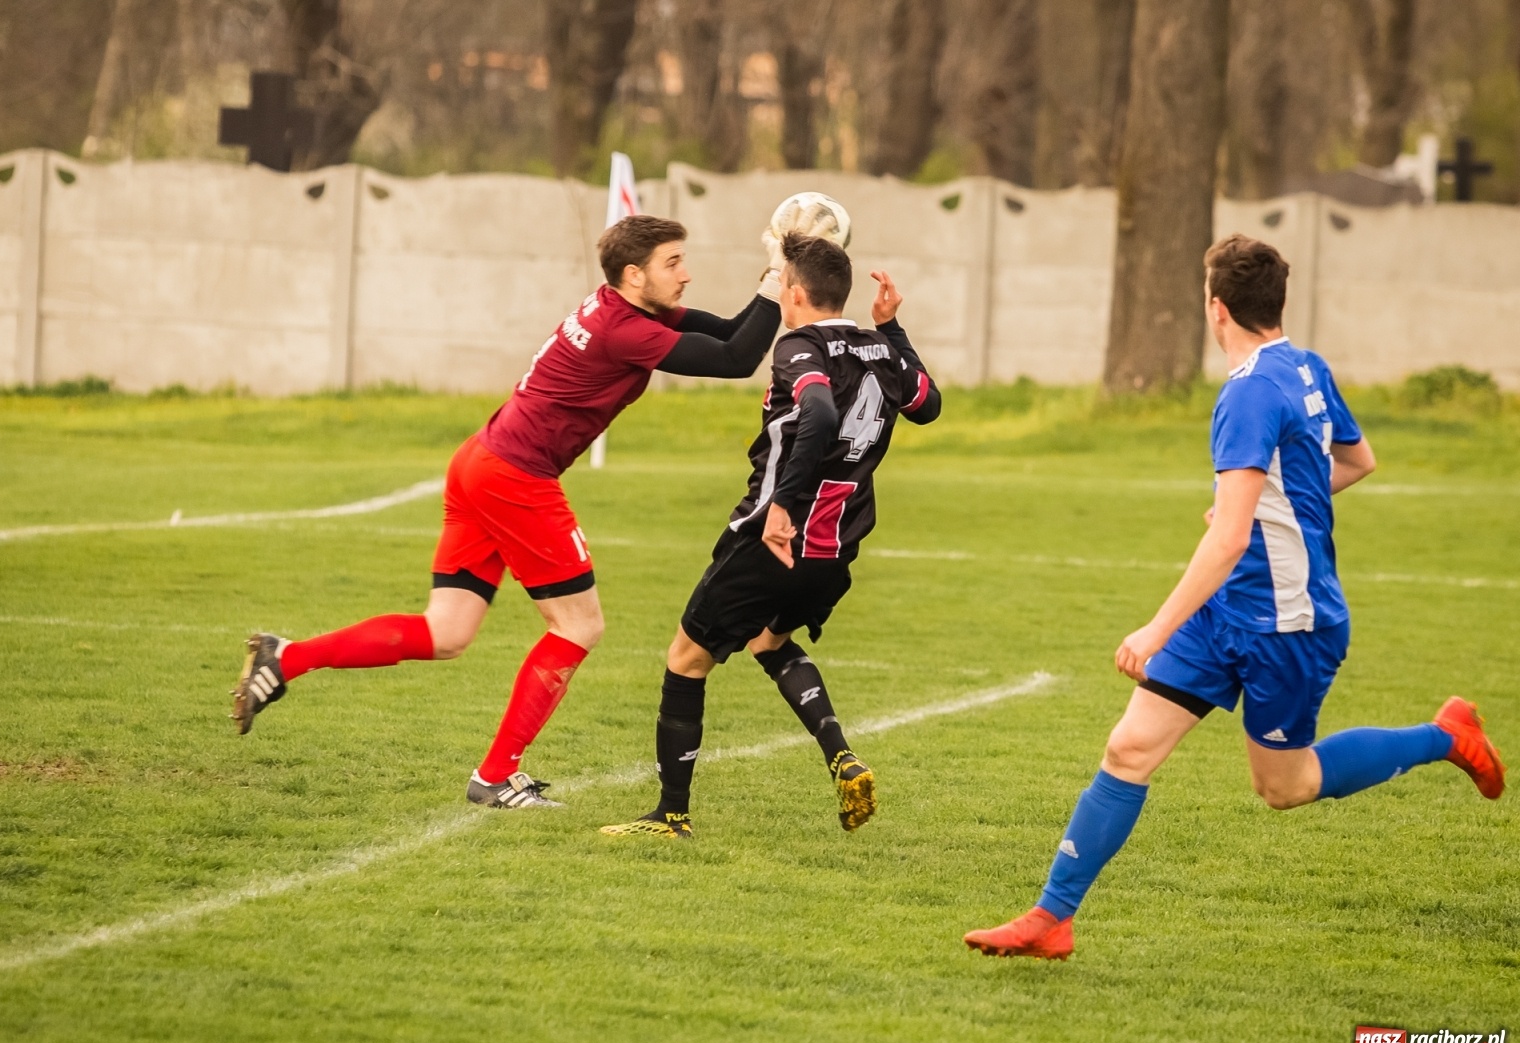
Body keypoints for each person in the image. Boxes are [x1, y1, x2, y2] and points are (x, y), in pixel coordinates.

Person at [964, 234, 1505, 960]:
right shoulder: (1304, 366)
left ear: (1215, 308)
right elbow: (1356, 460)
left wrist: (1157, 626)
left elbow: (1227, 541)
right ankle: (1051, 917)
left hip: (1288, 623)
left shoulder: (1247, 391)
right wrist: (1266, 514)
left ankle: (1445, 736)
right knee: (1129, 748)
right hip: (1229, 614)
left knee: (1285, 785)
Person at [232, 209, 843, 811]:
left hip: (481, 461)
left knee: (446, 632)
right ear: (634, 275)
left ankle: (286, 658)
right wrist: (773, 277)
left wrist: (778, 271)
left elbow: (734, 336)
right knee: (579, 626)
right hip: (515, 477)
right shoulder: (624, 329)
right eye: (673, 263)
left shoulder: (626, 310)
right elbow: (738, 359)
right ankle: (496, 776)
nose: (685, 274)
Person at [599, 233, 942, 839]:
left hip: (774, 536)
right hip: (836, 547)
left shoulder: (799, 347)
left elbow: (821, 413)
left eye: (782, 281)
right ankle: (841, 755)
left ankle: (670, 816)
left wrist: (781, 505)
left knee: (686, 659)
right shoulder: (879, 348)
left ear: (796, 292)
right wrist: (892, 329)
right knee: (767, 640)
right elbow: (928, 404)